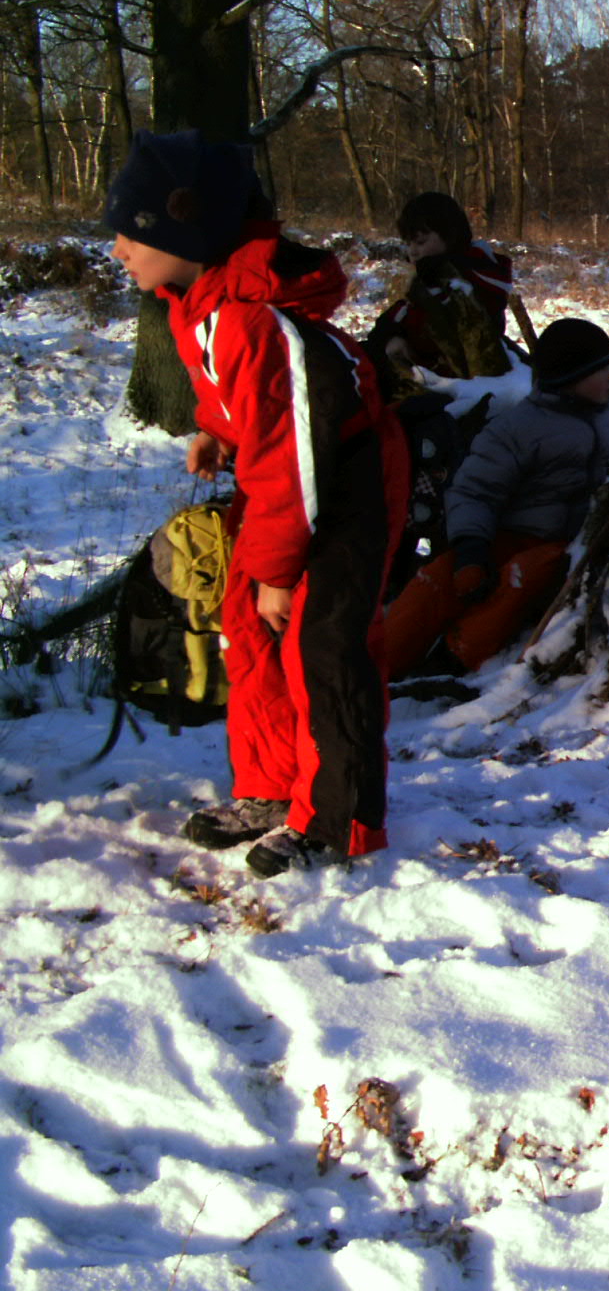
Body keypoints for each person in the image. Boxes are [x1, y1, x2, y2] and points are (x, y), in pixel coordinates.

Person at [106, 131, 407, 878]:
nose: (116, 251)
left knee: (323, 644)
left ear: (183, 228)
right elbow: (252, 408)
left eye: (129, 231)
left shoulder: (246, 320)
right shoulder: (201, 300)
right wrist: (216, 428)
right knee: (249, 625)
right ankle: (274, 788)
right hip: (293, 475)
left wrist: (280, 567)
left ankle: (336, 818)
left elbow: (292, 459)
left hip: (346, 481)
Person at [381, 317, 609, 678]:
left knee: (527, 574)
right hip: (508, 533)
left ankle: (455, 659)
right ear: (570, 378)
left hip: (569, 544)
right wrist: (471, 548)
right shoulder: (520, 428)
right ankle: (380, 662)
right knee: (437, 580)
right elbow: (474, 489)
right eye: (601, 370)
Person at [367, 191, 517, 386]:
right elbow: (405, 313)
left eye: (420, 242)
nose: (412, 251)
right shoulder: (431, 278)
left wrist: (443, 266)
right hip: (431, 374)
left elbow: (431, 331)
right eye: (408, 243)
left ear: (450, 237)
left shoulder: (473, 273)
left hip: (460, 384)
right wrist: (390, 334)